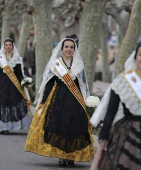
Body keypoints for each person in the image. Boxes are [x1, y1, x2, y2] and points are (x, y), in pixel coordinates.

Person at [24, 38, 94, 166]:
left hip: (75, 99)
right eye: (66, 47)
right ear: (61, 49)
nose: (68, 49)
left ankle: (71, 156)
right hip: (59, 98)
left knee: (74, 127)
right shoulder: (56, 64)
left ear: (74, 50)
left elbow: (83, 85)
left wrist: (87, 101)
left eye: (71, 47)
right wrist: (44, 101)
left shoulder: (78, 64)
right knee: (59, 126)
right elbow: (49, 84)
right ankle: (61, 155)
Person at [90, 40, 141, 170]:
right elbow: (111, 110)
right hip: (128, 133)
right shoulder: (123, 81)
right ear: (136, 57)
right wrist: (104, 134)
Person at [0, 38, 31, 134]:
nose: (8, 47)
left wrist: (25, 83)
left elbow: (19, 74)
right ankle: (3, 127)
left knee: (12, 104)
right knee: (1, 103)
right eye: (6, 45)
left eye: (10, 45)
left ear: (12, 46)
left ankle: (10, 126)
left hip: (14, 85)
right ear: (4, 46)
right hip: (0, 83)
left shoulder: (17, 59)